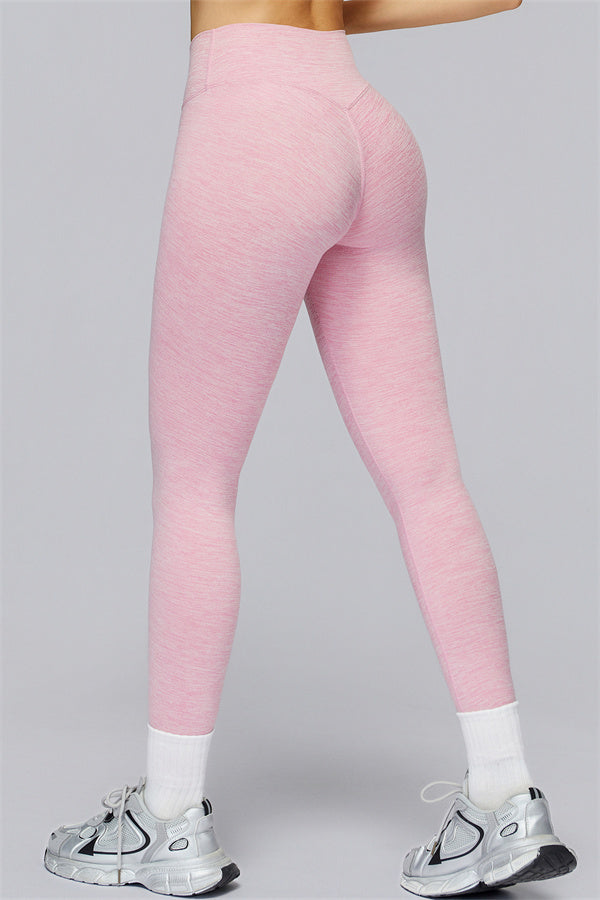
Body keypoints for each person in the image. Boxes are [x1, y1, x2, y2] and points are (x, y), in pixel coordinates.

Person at [43, 0, 579, 896]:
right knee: (429, 479)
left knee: (195, 482)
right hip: (367, 129)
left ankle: (168, 818)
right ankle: (505, 796)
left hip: (254, 123)